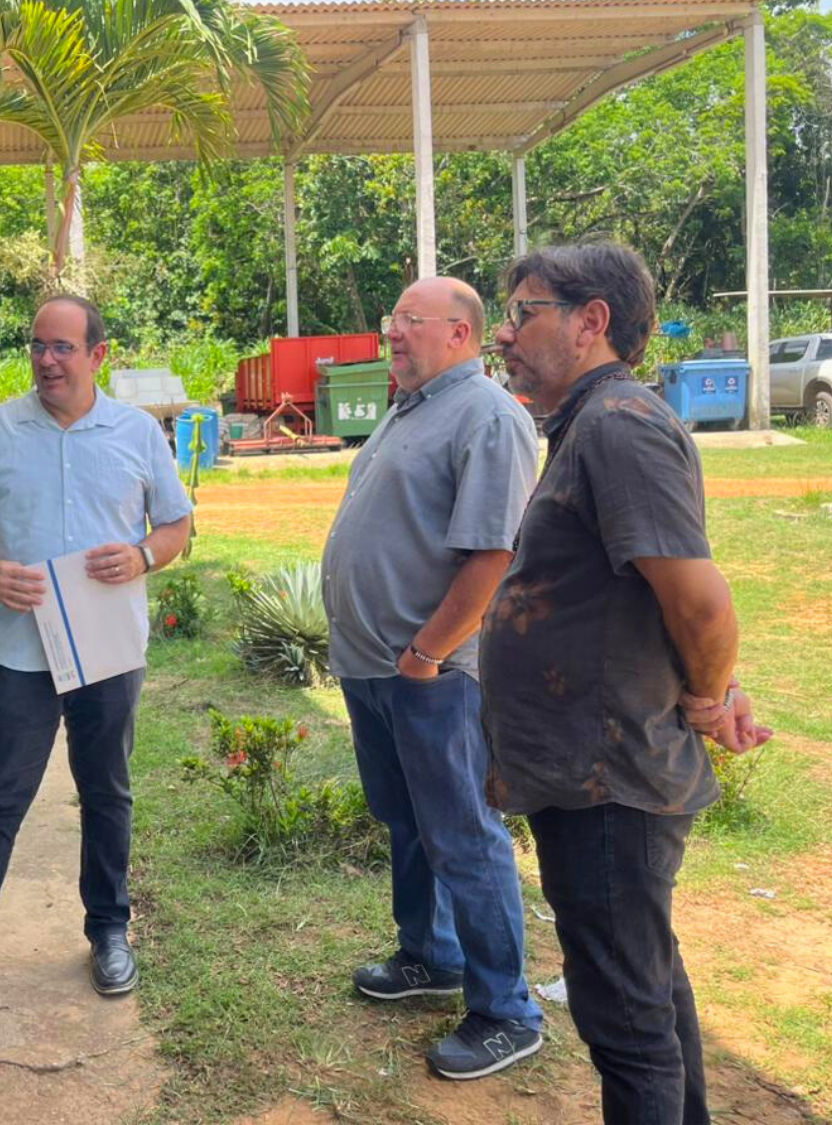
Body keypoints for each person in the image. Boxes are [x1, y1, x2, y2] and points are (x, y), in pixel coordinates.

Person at [484, 241, 771, 1123]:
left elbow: (700, 603)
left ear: (591, 321)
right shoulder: (592, 423)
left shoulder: (617, 425)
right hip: (590, 772)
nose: (505, 333)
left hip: (609, 777)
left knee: (626, 1018)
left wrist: (710, 696)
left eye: (524, 310)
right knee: (643, 980)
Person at [0, 294, 193, 1045]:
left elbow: (177, 526)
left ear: (98, 354)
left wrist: (141, 554)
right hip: (19, 653)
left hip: (107, 654)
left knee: (107, 792)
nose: (47, 360)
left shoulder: (137, 433)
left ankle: (108, 929)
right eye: (39, 345)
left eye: (64, 347)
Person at [321, 276, 545, 1080]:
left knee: (462, 835)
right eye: (393, 320)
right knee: (409, 821)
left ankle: (506, 1009)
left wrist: (426, 655)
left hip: (432, 672)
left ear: (463, 334)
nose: (395, 332)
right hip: (376, 665)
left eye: (411, 321)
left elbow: (494, 553)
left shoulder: (488, 415)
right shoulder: (411, 406)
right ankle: (431, 954)